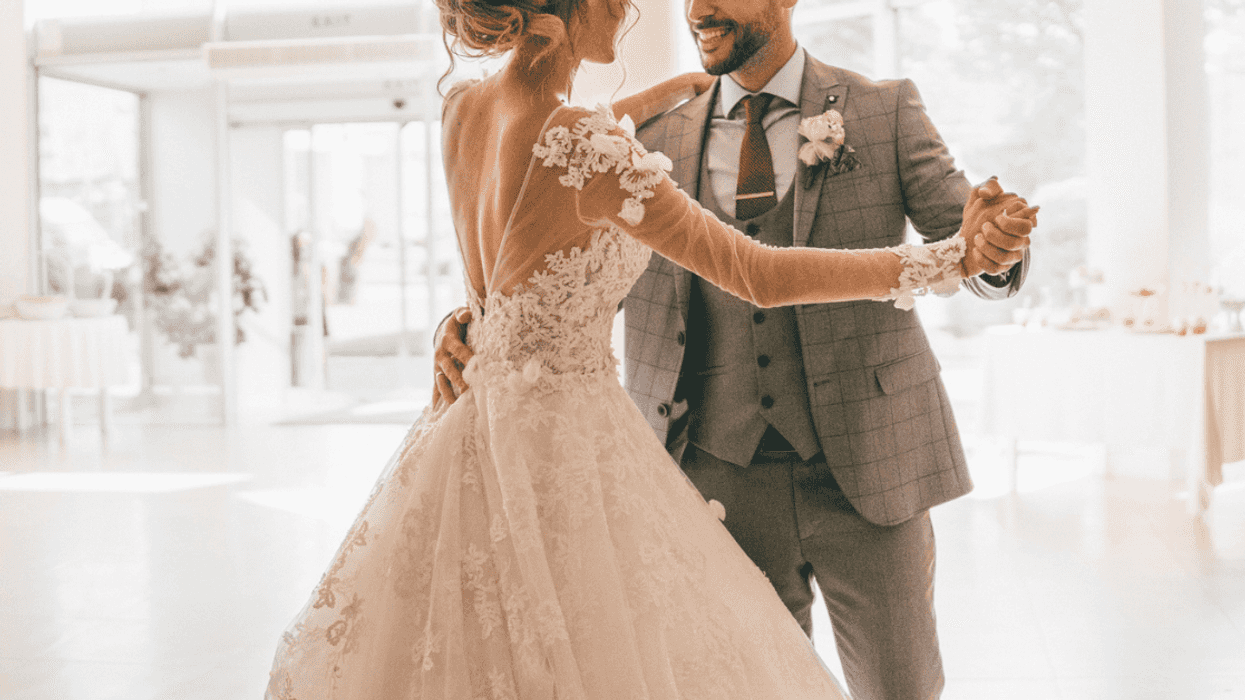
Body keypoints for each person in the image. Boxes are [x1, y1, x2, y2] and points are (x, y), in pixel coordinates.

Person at [266, 0, 1037, 694]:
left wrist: (987, 249)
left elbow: (523, 223)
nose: (643, 9)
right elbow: (752, 273)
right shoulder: (602, 142)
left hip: (847, 468)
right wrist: (945, 259)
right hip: (648, 456)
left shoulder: (465, 109)